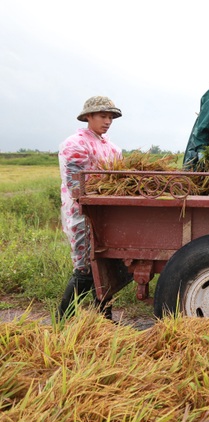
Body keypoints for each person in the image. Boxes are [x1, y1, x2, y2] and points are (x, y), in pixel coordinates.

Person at [56, 96, 123, 321]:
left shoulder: (112, 148)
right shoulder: (75, 144)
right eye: (103, 116)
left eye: (111, 117)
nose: (108, 121)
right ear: (88, 117)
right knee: (85, 268)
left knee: (107, 264)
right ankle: (62, 321)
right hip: (82, 213)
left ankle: (103, 319)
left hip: (108, 213)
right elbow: (77, 185)